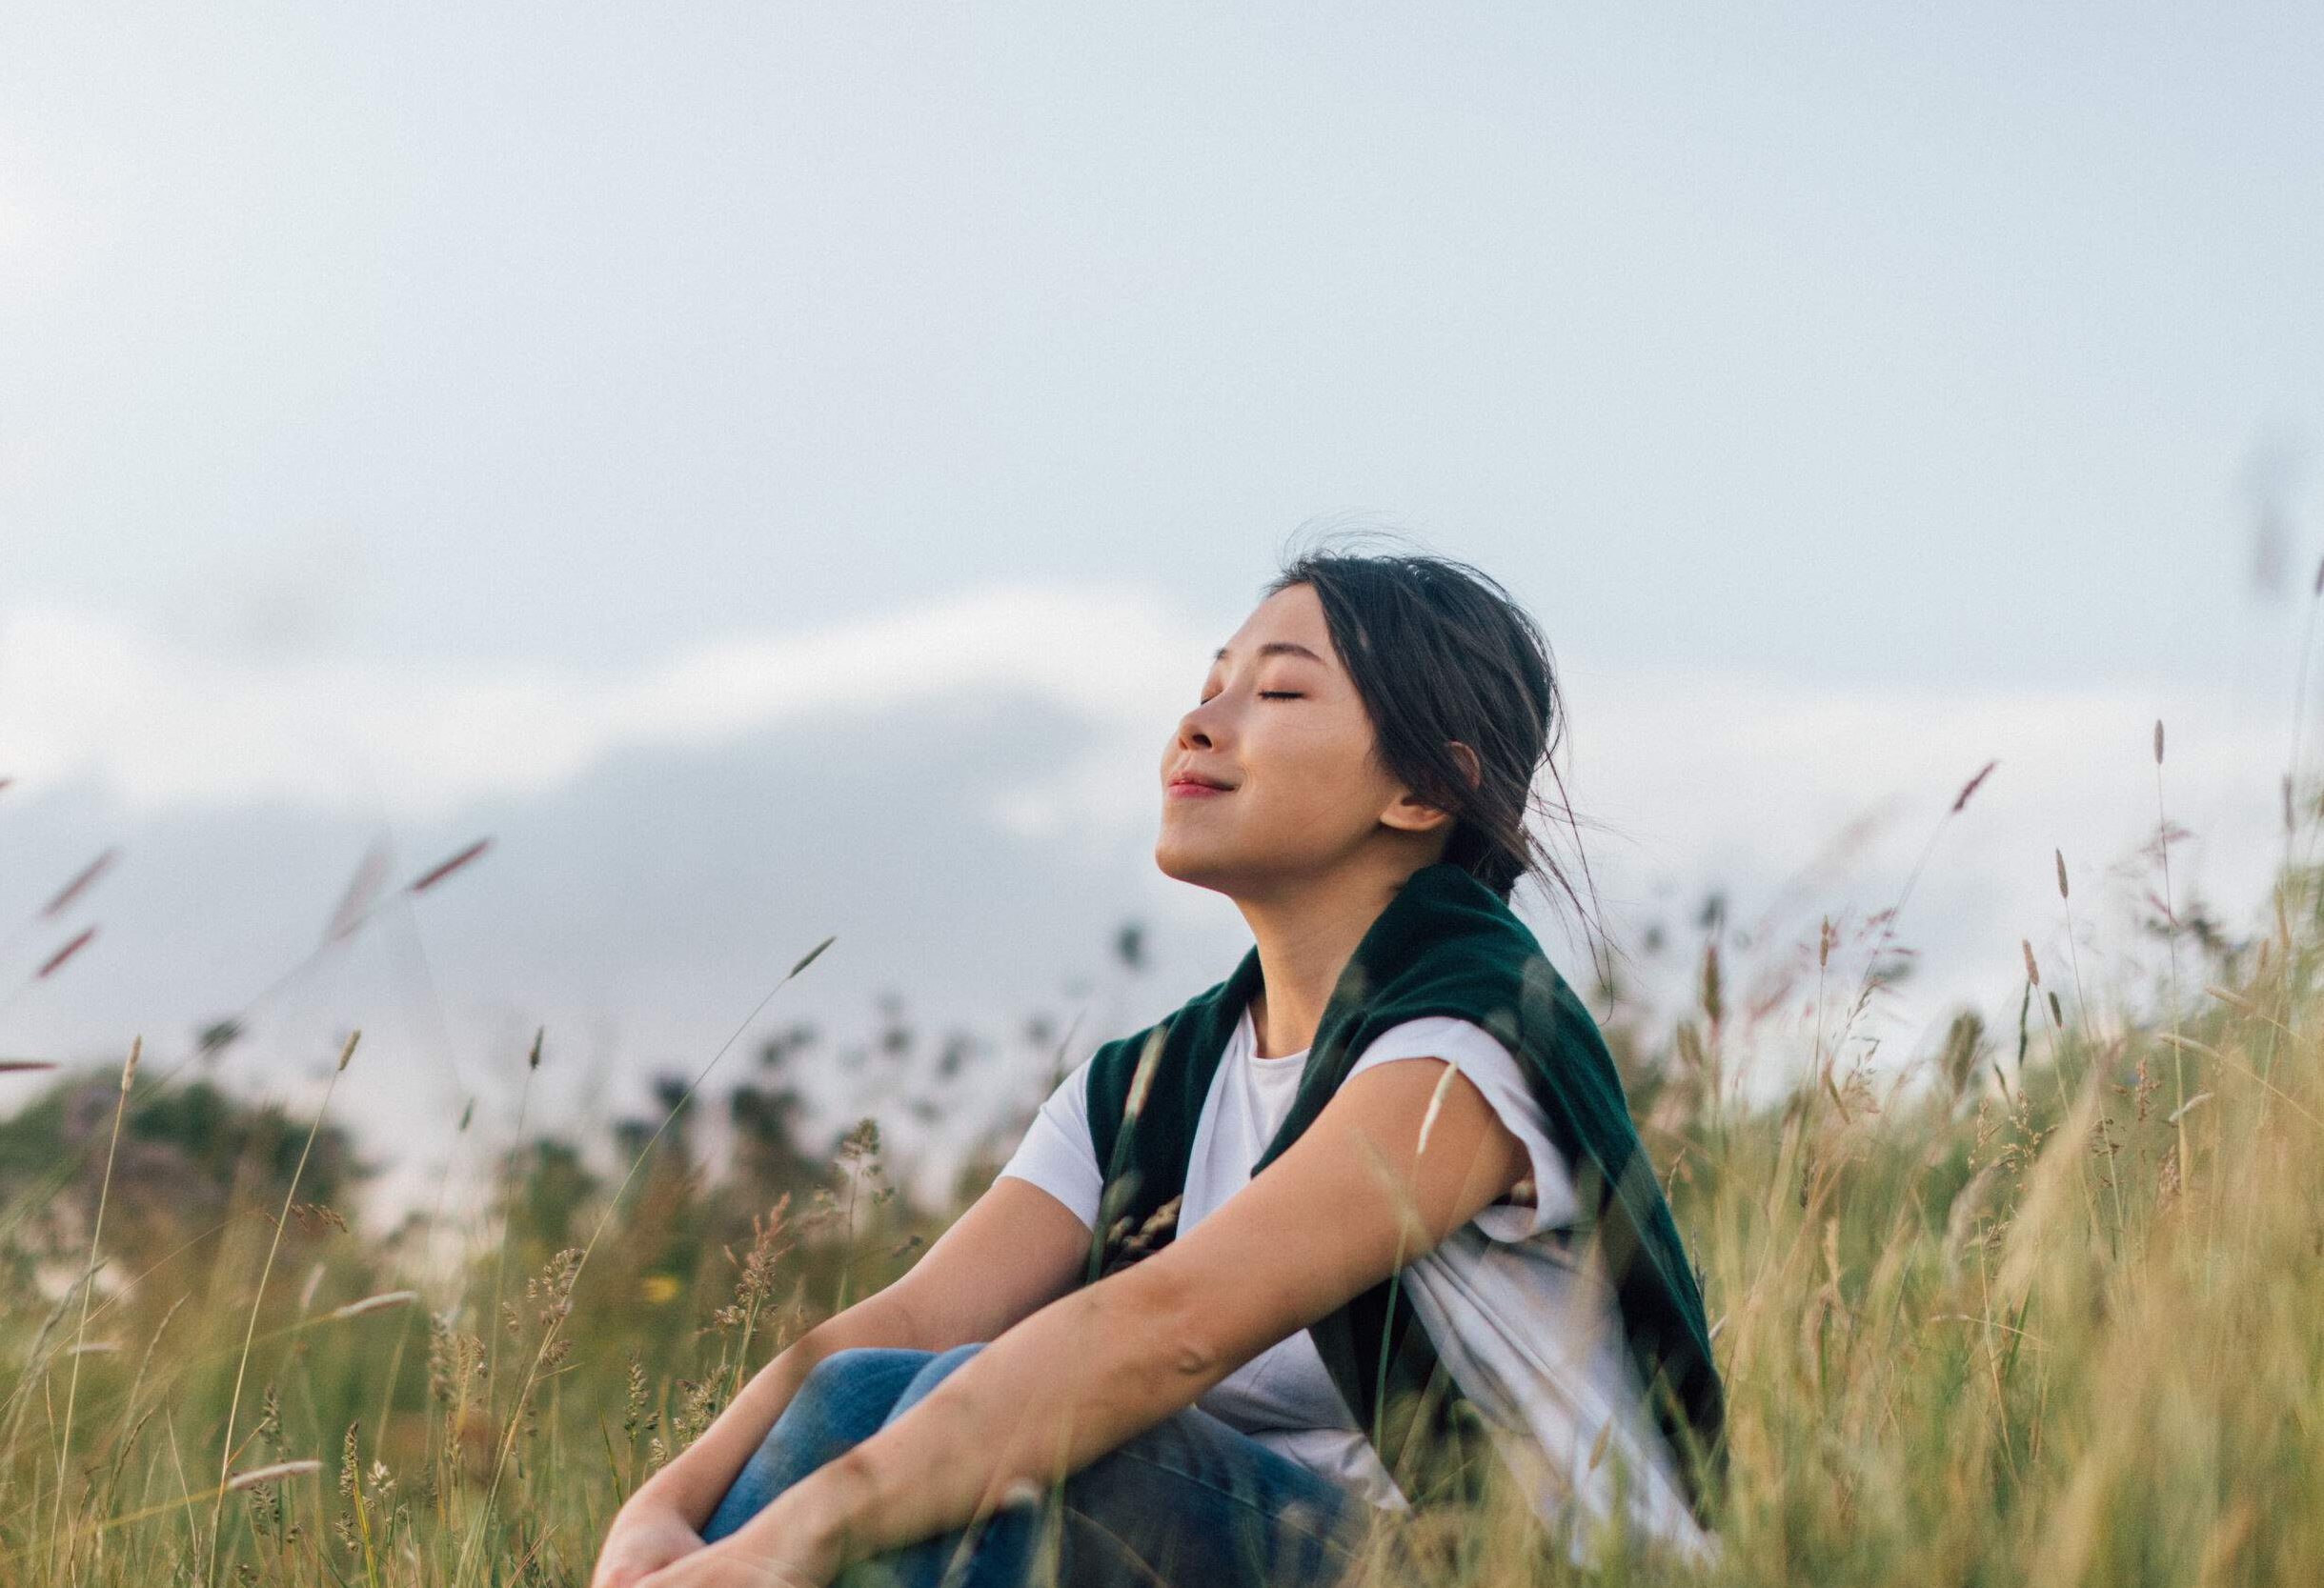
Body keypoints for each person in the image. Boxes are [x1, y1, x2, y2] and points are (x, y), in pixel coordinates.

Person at [591, 541, 1727, 1588]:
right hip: (1287, 1544)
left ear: (1421, 791)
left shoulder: (1470, 1036)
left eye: (1277, 692)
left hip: (1524, 1568)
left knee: (1046, 1445)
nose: (1199, 720)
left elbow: (1170, 1323)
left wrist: (790, 1542)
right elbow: (897, 1322)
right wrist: (661, 1514)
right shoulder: (1146, 1088)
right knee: (868, 1393)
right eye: (1210, 681)